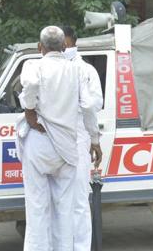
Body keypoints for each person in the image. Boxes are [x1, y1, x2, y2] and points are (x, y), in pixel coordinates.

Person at [18, 26, 102, 251]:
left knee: (37, 208)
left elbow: (31, 85)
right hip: (67, 147)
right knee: (65, 211)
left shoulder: (33, 65)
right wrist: (95, 139)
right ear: (64, 47)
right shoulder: (77, 70)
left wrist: (29, 110)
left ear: (39, 47)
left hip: (40, 142)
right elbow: (89, 107)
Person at [61, 26, 104, 250]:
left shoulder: (85, 70)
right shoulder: (46, 67)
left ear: (73, 42)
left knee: (78, 200)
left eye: (64, 43)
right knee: (58, 201)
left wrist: (94, 138)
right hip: (55, 140)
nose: (62, 47)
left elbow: (93, 105)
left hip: (78, 137)